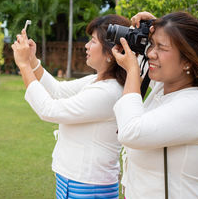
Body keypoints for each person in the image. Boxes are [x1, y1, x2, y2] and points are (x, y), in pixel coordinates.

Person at [12, 15, 129, 198]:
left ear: (110, 52)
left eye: (93, 41)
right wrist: (33, 61)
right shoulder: (97, 81)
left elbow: (48, 109)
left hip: (89, 185)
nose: (86, 46)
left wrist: (24, 65)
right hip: (72, 178)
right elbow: (58, 90)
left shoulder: (108, 91)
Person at [111, 11, 198, 198]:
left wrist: (132, 71)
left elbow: (130, 132)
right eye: (152, 44)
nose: (150, 53)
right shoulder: (165, 88)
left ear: (187, 60)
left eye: (161, 48)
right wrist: (156, 26)